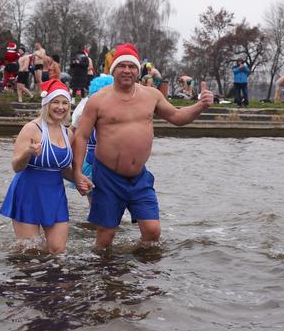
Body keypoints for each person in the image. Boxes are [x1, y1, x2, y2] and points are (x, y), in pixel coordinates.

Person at [72, 43, 214, 249]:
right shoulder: (98, 100)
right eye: (122, 66)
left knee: (152, 231)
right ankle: (104, 275)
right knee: (106, 236)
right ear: (114, 70)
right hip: (107, 177)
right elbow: (82, 136)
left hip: (139, 177)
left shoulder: (151, 95)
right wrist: (77, 173)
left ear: (138, 70)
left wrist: (200, 106)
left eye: (132, 66)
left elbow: (177, 117)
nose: (127, 70)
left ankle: (138, 272)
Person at [0, 79, 77, 254]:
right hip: (28, 192)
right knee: (30, 252)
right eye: (55, 102)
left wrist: (81, 181)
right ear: (46, 104)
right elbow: (16, 166)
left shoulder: (68, 134)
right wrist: (28, 152)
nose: (60, 107)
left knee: (57, 250)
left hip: (55, 195)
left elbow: (63, 169)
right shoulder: (31, 129)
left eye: (64, 103)